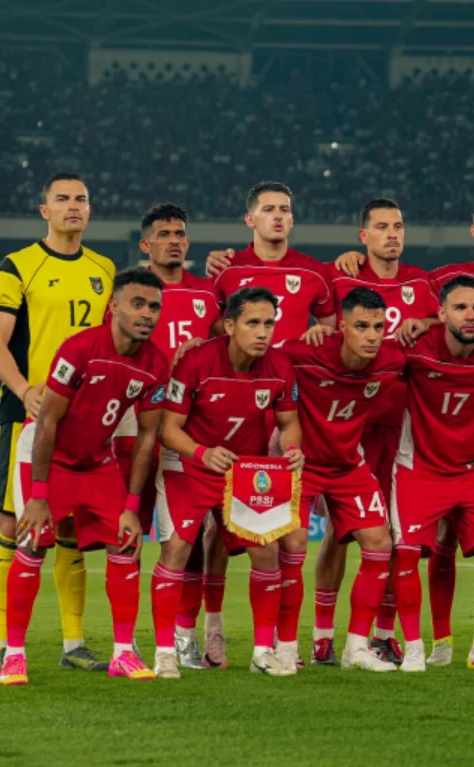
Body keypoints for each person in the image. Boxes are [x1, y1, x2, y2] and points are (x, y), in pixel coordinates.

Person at [0, 268, 170, 686]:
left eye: (154, 307)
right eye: (138, 304)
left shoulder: (156, 363)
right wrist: (39, 496)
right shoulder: (80, 348)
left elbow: (148, 437)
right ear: (113, 307)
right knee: (31, 544)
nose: (147, 314)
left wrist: (132, 507)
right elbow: (48, 423)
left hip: (97, 463)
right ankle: (13, 656)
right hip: (45, 459)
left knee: (127, 543)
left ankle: (124, 653)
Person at [197, 181, 335, 668]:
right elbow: (210, 329)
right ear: (249, 219)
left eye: (286, 210)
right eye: (269, 209)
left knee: (283, 535)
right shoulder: (225, 271)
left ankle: (281, 643)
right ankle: (213, 630)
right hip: (227, 414)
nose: (279, 216)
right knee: (214, 531)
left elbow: (336, 330)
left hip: (291, 413)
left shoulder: (315, 274)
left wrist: (325, 329)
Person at [0, 172, 116, 676]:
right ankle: (1, 644)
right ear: (45, 210)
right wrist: (23, 390)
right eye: (62, 199)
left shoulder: (105, 268)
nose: (73, 206)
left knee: (69, 528)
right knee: (14, 526)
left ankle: (74, 643)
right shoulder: (18, 266)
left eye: (81, 198)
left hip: (82, 419)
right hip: (27, 413)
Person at [311, 198, 440, 666]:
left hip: (402, 425)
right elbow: (311, 306)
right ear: (362, 235)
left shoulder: (422, 283)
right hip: (346, 426)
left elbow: (444, 323)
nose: (393, 233)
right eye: (382, 226)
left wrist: (423, 321)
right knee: (338, 534)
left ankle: (381, 634)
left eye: (399, 226)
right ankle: (323, 635)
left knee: (392, 534)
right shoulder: (339, 276)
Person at [152, 287, 305, 679]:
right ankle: (166, 651)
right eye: (253, 323)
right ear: (230, 324)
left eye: (269, 323)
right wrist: (202, 452)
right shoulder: (196, 361)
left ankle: (262, 652)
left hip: (243, 471)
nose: (263, 332)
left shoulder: (280, 366)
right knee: (177, 550)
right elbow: (169, 429)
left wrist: (290, 451)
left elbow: (289, 424)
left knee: (266, 553)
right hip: (189, 465)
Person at [391, 276, 474, 672]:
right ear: (441, 312)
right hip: (419, 470)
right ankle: (415, 648)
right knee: (407, 556)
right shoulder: (413, 350)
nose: (471, 315)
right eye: (461, 307)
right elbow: (361, 354)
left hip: (473, 471)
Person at [111, 202, 221, 670]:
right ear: (145, 245)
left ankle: (183, 636)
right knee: (129, 528)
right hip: (136, 418)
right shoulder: (132, 291)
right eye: (164, 233)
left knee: (188, 537)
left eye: (180, 232)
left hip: (184, 424)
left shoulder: (208, 293)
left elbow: (224, 346)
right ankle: (128, 639)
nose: (174, 239)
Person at [278, 286, 407, 671]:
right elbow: (257, 356)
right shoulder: (303, 353)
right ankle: (285, 646)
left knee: (379, 541)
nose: (372, 335)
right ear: (342, 326)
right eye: (362, 326)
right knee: (295, 543)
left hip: (349, 465)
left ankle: (355, 648)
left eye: (379, 327)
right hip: (303, 464)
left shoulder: (391, 360)